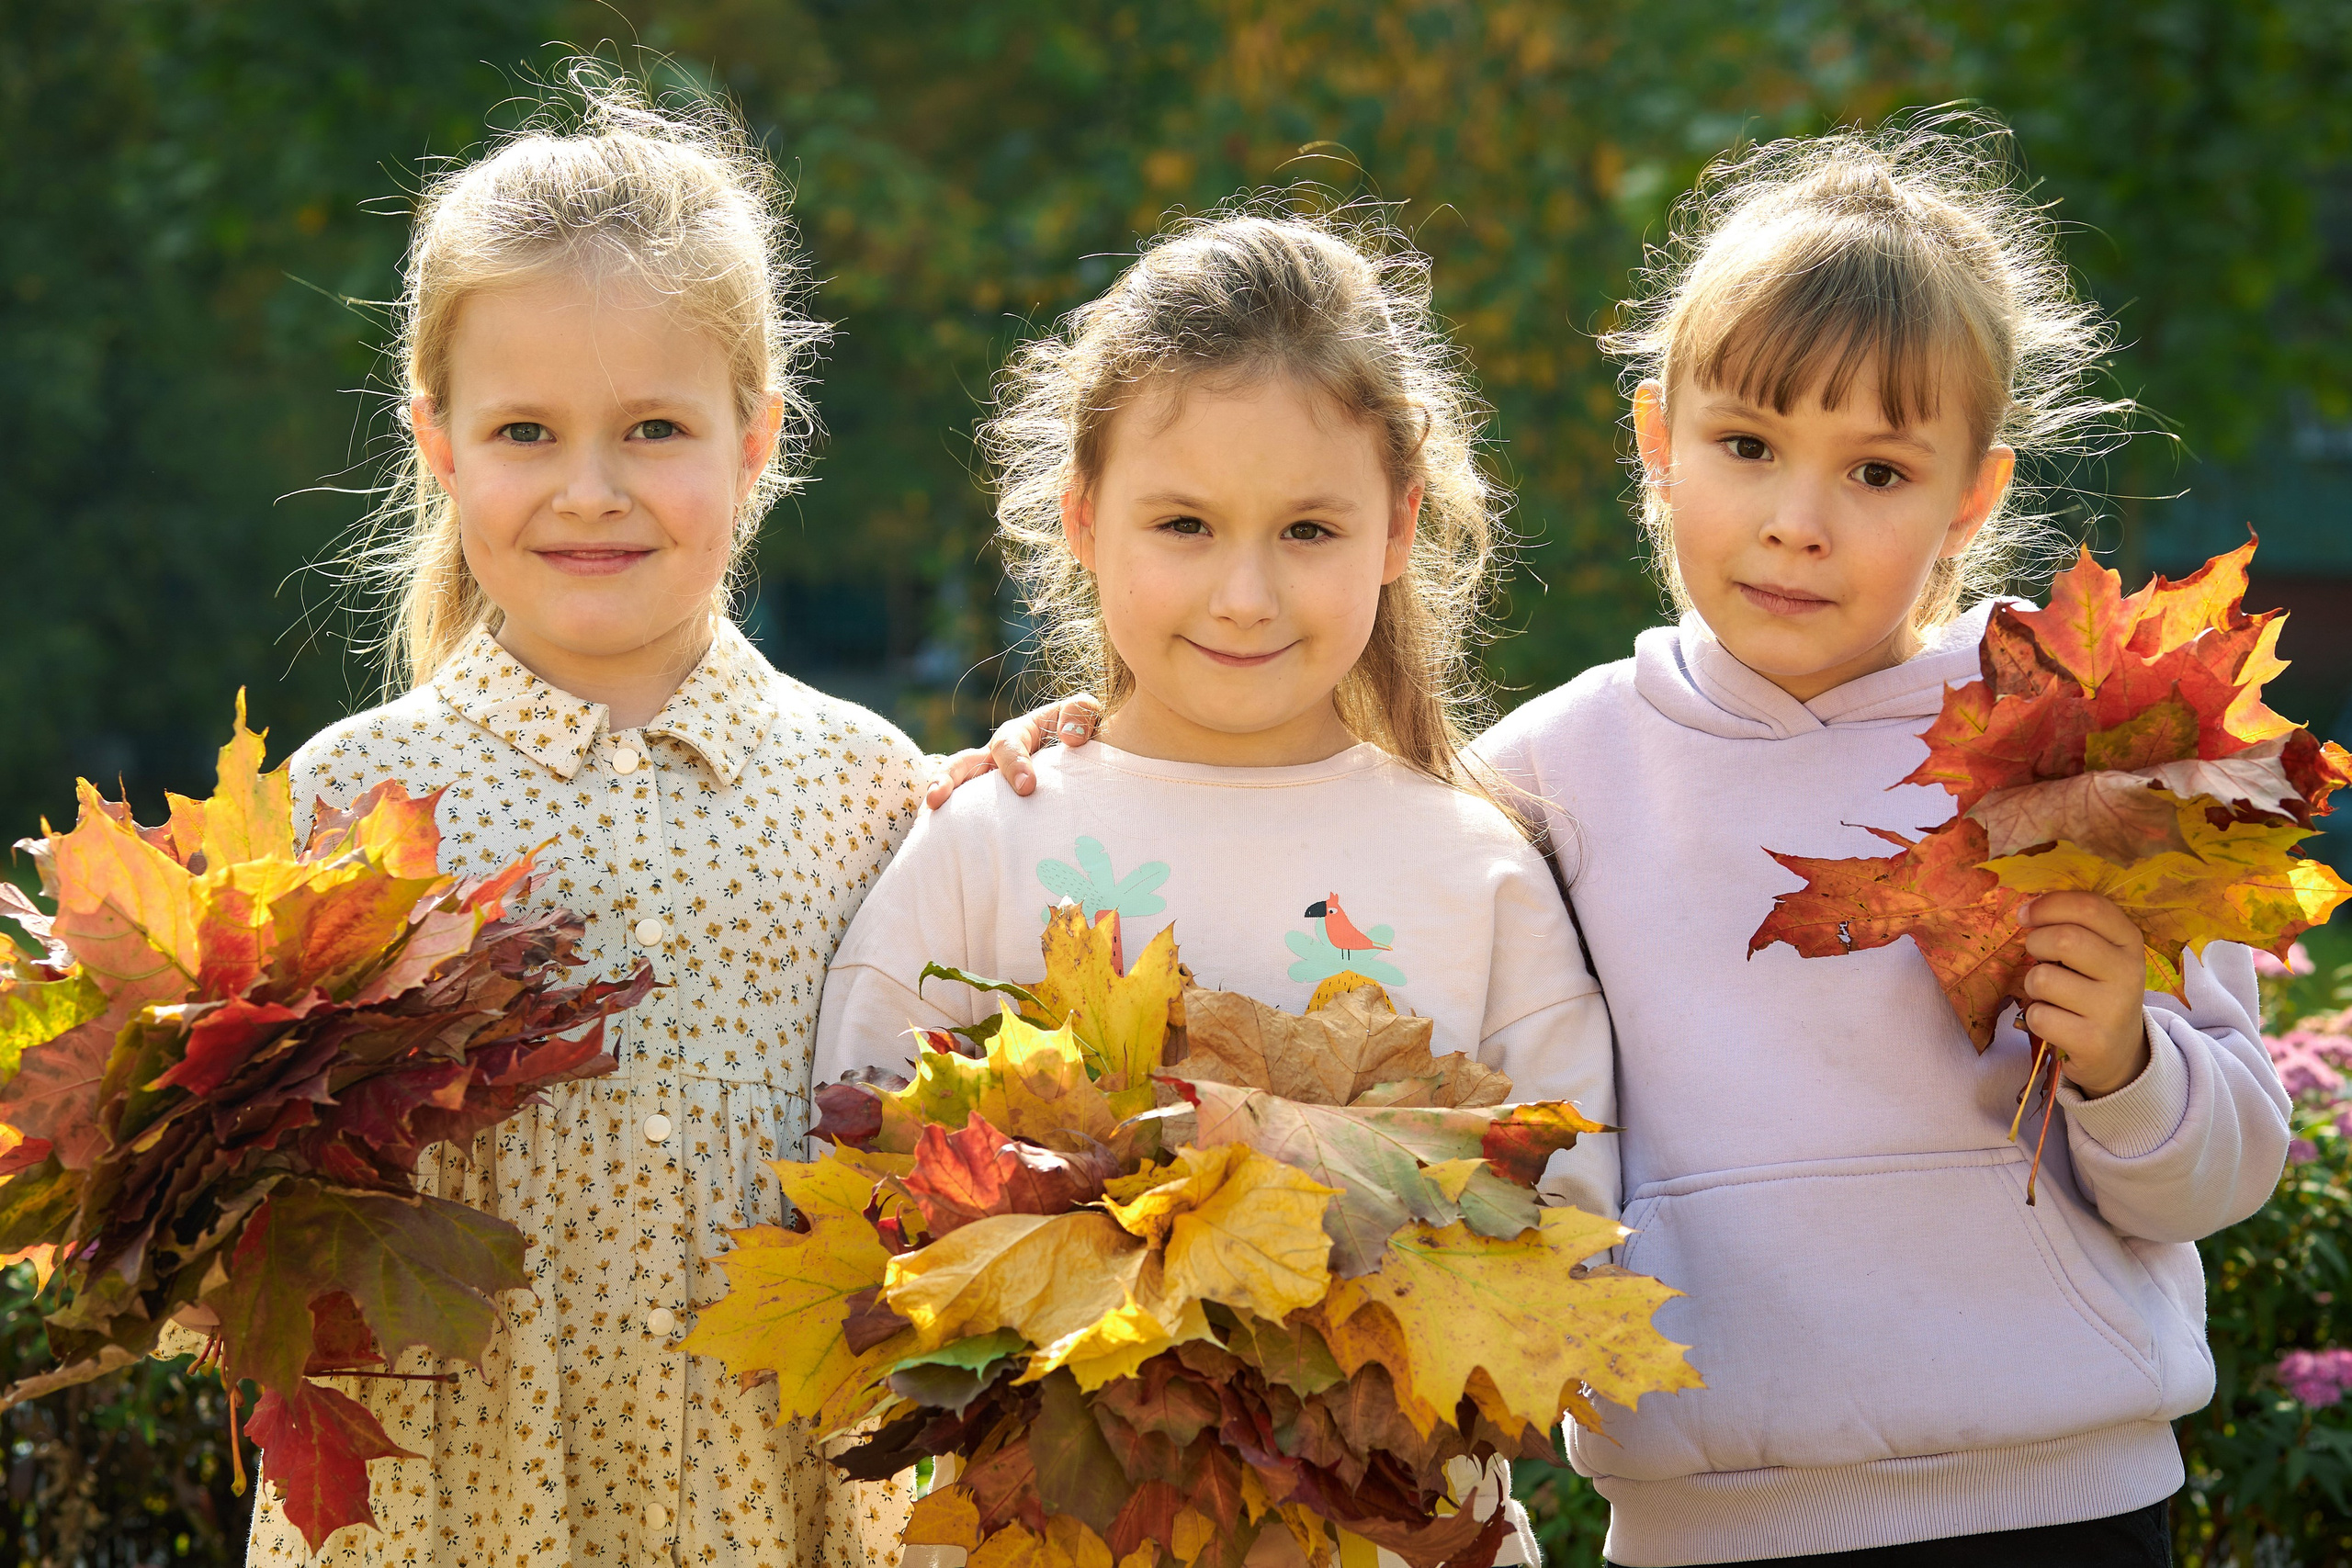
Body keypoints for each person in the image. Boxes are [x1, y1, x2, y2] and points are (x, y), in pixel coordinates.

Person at [954, 113, 2290, 1567]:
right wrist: (1098, 751)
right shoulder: (1544, 780)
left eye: (1879, 474)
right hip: (1712, 1524)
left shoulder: (2084, 752)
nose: (1797, 521)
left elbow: (2219, 1179)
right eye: (1747, 445)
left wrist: (2127, 1068)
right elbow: (1305, 837)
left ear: (1977, 493)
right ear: (1657, 443)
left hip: (2067, 1509)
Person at [812, 208, 1617, 1567]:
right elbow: (859, 1183)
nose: (1244, 594)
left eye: (1307, 528)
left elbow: (1574, 1217)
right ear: (1080, 518)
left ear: (1397, 527)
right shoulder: (988, 841)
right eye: (1183, 523)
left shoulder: (1474, 869)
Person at [249, 66, 925, 1567]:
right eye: (527, 434)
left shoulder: (876, 787)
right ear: (435, 441)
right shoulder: (349, 802)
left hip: (783, 1492)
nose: (592, 490)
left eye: (656, 431)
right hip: (447, 1502)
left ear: (759, 438)